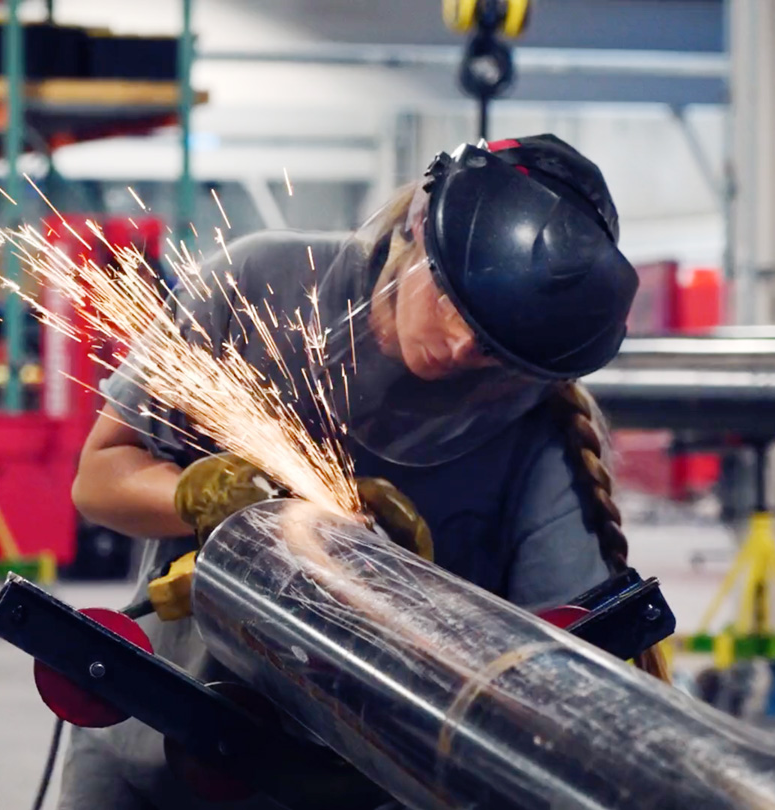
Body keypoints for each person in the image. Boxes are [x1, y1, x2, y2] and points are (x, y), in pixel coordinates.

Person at [60, 135, 658, 810]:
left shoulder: (531, 424)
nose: (462, 344)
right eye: (452, 301)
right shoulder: (260, 286)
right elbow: (99, 478)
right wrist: (202, 494)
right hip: (162, 743)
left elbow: (570, 661)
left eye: (491, 344)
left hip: (361, 783)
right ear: (414, 231)